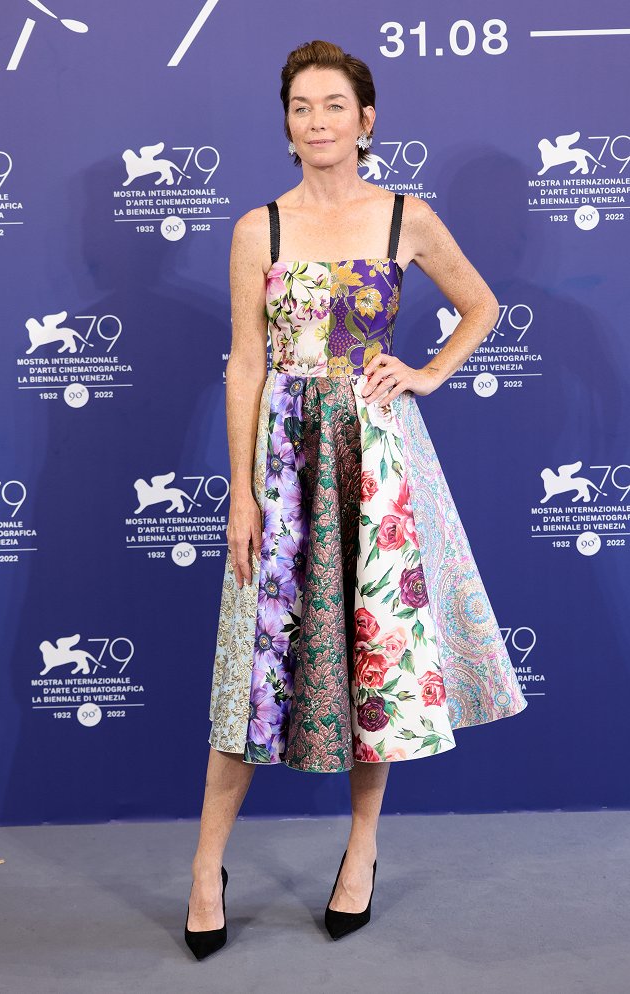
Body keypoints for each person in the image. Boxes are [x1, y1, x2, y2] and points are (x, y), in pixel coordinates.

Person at [184, 38, 528, 959]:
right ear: (287, 125)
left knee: (371, 654)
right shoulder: (259, 227)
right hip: (283, 466)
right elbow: (245, 366)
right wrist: (242, 495)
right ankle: (204, 866)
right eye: (301, 108)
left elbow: (482, 306)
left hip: (377, 461)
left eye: (334, 105)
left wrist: (426, 372)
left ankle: (360, 853)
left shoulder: (404, 218)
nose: (317, 122)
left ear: (365, 120)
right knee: (252, 667)